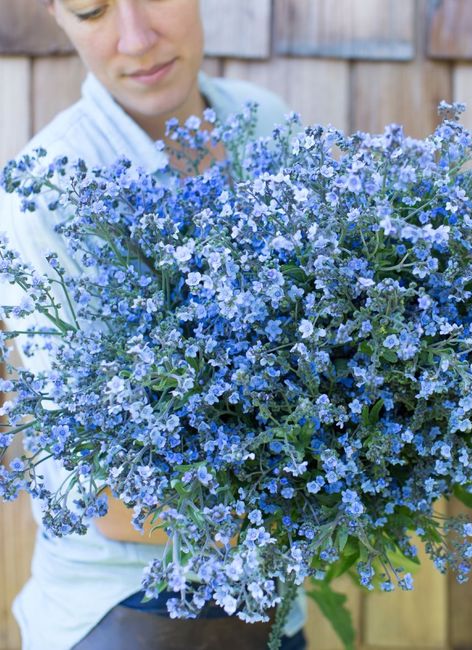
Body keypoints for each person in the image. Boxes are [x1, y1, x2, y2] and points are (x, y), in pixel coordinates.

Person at [1, 1, 308, 649]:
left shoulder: (269, 124)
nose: (136, 38)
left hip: (275, 604)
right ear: (57, 14)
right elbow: (107, 499)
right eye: (91, 8)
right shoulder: (52, 187)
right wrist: (327, 497)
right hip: (129, 612)